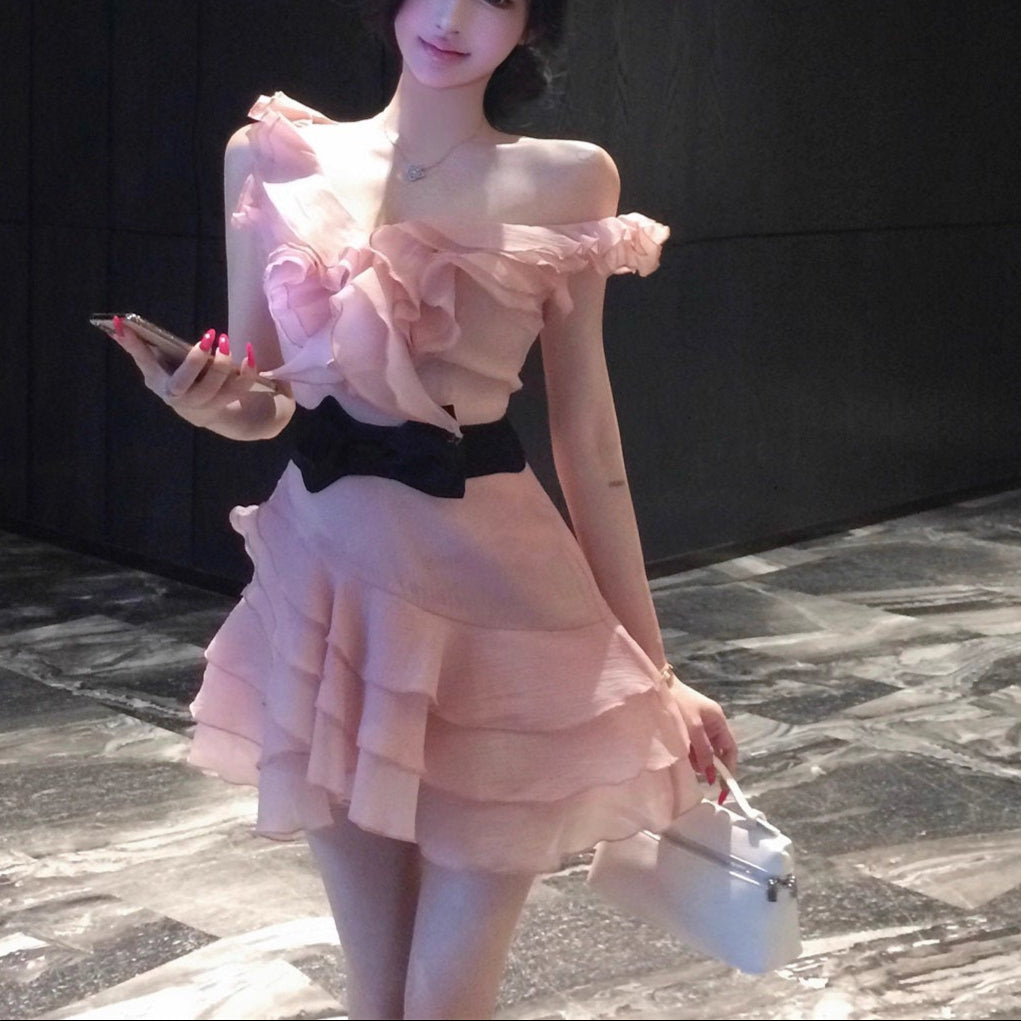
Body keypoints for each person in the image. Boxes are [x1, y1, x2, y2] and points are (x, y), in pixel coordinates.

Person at [111, 1, 738, 1018]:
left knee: (446, 993)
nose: (452, 16)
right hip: (330, 593)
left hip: (501, 606)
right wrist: (204, 402)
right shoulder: (269, 157)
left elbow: (587, 437)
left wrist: (654, 671)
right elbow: (265, 400)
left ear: (528, 23)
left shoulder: (568, 177)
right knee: (376, 989)